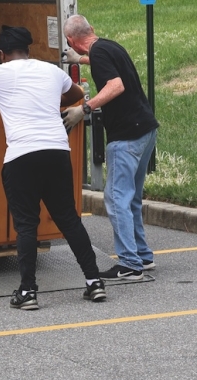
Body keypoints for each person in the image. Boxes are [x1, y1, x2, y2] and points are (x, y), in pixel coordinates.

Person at [0, 25, 106, 310]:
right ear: (28, 51)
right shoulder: (51, 71)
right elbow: (76, 93)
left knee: (27, 225)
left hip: (22, 156)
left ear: (2, 54)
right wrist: (51, 103)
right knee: (68, 219)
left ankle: (28, 292)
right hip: (56, 151)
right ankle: (94, 282)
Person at [61, 14, 159, 282]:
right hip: (145, 130)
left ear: (71, 40)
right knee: (132, 198)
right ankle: (142, 255)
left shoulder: (100, 53)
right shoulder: (108, 46)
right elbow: (108, 67)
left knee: (116, 200)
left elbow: (115, 84)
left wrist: (84, 108)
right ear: (91, 30)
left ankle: (129, 264)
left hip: (126, 136)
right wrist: (79, 60)